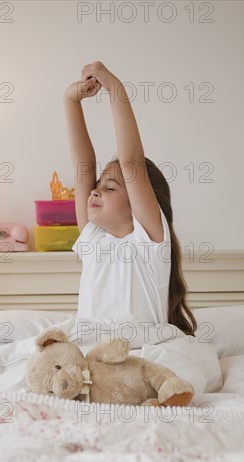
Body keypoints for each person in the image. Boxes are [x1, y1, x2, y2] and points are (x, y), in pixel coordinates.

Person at [64, 61, 196, 336]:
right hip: (94, 358)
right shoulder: (94, 241)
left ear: (137, 205)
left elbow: (131, 162)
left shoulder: (148, 242)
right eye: (98, 186)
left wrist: (114, 87)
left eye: (110, 188)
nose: (94, 191)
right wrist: (70, 100)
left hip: (137, 357)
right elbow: (83, 166)